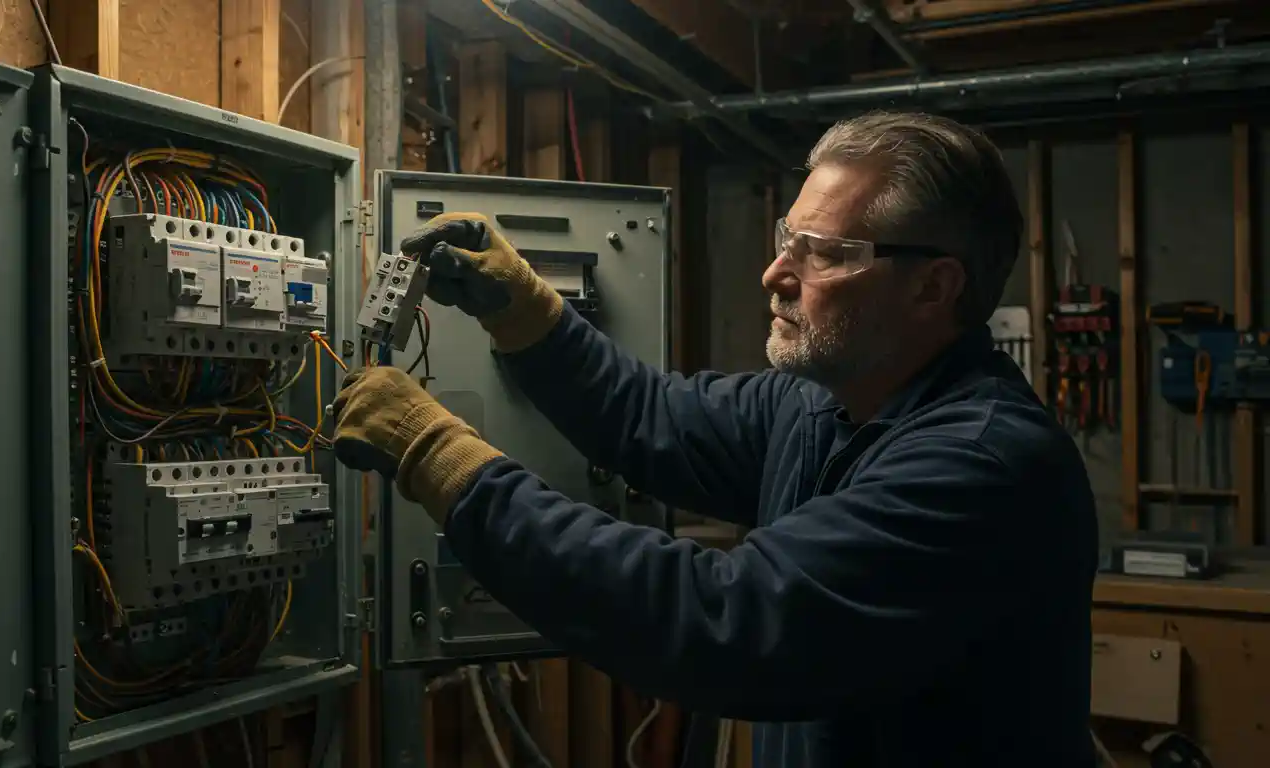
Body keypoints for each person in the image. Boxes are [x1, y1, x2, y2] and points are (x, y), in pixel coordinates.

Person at [331, 110, 1098, 767]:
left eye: (822, 252)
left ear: (936, 286)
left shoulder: (984, 466)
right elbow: (651, 418)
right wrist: (528, 313)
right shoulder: (818, 404)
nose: (774, 272)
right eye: (785, 238)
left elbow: (721, 620)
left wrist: (439, 456)